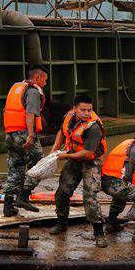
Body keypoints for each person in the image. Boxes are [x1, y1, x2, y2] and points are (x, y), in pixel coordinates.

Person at [49, 94, 108, 248]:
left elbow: (88, 153)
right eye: (83, 110)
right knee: (62, 192)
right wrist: (55, 148)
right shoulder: (69, 116)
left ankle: (99, 233)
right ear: (74, 109)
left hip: (90, 162)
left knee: (90, 197)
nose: (87, 113)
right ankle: (62, 223)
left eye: (90, 110)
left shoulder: (93, 127)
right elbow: (62, 132)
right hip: (74, 158)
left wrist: (65, 156)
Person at [2, 63, 49, 217]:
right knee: (41, 165)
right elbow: (30, 114)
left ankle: (8, 206)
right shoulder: (33, 91)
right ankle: (23, 196)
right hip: (24, 134)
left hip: (10, 134)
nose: (45, 83)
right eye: (45, 80)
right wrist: (30, 134)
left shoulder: (16, 88)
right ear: (38, 77)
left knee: (15, 167)